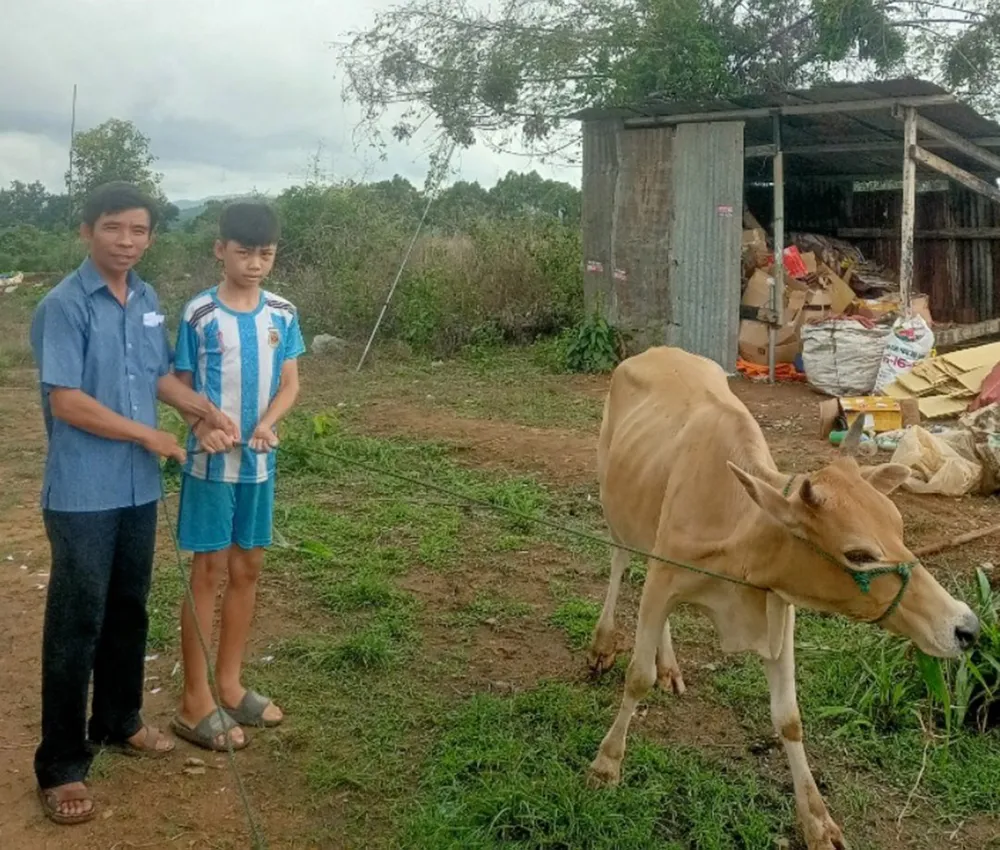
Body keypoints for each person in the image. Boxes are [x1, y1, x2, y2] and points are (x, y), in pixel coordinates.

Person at [30, 182, 240, 825]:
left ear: (151, 237)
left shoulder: (146, 299)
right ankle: (63, 763)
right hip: (83, 491)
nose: (127, 242)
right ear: (87, 231)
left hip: (137, 486)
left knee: (128, 606)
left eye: (139, 231)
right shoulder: (63, 306)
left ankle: (119, 719)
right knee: (77, 621)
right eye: (114, 228)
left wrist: (203, 412)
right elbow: (66, 400)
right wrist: (150, 433)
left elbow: (154, 376)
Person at [169, 201, 304, 752]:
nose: (254, 264)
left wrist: (269, 425)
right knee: (209, 570)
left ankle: (229, 684)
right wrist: (200, 423)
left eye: (265, 254)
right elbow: (179, 385)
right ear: (220, 249)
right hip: (209, 466)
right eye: (244, 252)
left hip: (258, 465)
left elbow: (290, 384)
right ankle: (193, 699)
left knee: (248, 567)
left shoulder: (283, 313)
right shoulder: (199, 313)